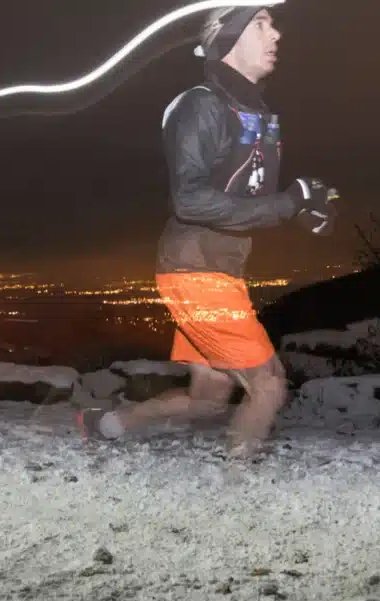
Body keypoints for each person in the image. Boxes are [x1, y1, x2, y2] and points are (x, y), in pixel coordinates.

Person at [77, 6, 339, 458]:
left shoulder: (251, 112)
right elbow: (191, 200)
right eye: (261, 23)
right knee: (269, 384)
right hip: (197, 273)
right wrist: (288, 202)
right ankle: (237, 488)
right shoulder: (201, 105)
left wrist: (304, 204)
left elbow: (245, 194)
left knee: (209, 399)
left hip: (212, 271)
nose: (276, 34)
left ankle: (107, 424)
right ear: (228, 37)